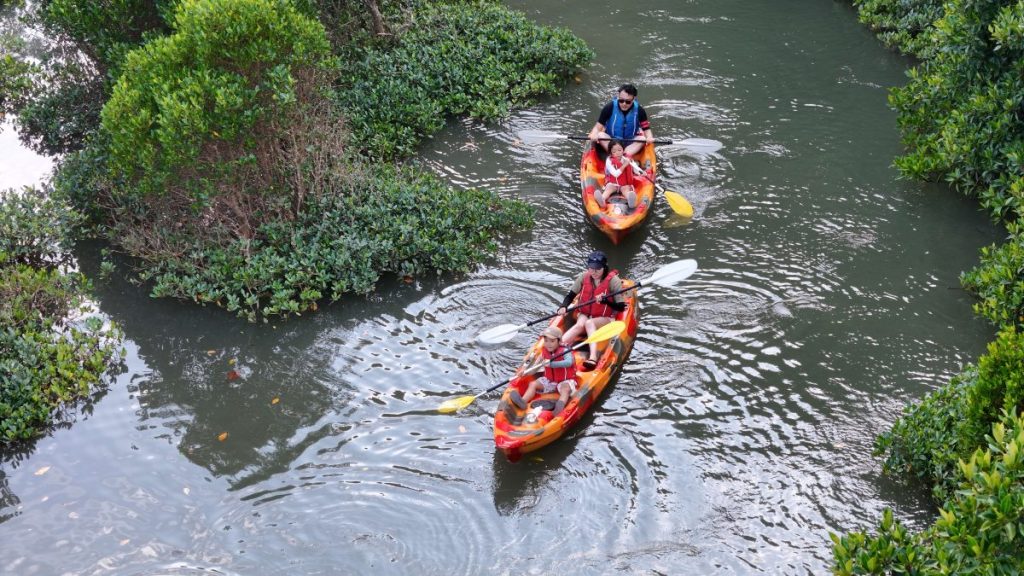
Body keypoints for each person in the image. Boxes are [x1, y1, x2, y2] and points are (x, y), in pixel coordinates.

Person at [557, 250, 626, 370]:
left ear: (604, 267)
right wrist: (563, 306)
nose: (593, 272)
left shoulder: (613, 281)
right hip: (585, 313)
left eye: (597, 269)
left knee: (589, 323)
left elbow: (621, 307)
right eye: (591, 268)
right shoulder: (584, 277)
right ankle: (557, 348)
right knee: (580, 325)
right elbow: (570, 296)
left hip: (605, 318)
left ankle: (593, 357)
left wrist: (606, 301)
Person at [509, 326, 575, 417]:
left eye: (552, 341)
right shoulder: (544, 352)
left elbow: (569, 362)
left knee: (565, 389)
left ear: (559, 341)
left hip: (564, 380)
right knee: (533, 384)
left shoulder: (565, 351)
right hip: (549, 381)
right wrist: (525, 372)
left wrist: (552, 364)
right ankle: (523, 401)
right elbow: (534, 369)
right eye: (546, 341)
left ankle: (559, 407)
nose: (548, 344)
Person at [588, 83, 653, 159]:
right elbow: (597, 127)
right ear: (618, 96)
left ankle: (623, 155)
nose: (624, 104)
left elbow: (646, 129)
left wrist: (649, 137)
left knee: (643, 139)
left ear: (634, 98)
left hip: (629, 141)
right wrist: (594, 134)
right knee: (600, 135)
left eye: (628, 102)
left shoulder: (640, 110)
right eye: (621, 100)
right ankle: (616, 154)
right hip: (612, 141)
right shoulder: (609, 107)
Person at [598, 139, 638, 210]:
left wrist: (641, 173)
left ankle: (630, 200)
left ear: (623, 150)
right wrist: (624, 165)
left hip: (624, 184)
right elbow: (615, 174)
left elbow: (635, 168)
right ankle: (602, 199)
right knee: (608, 189)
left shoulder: (627, 158)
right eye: (614, 151)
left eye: (620, 150)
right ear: (611, 153)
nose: (617, 153)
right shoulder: (609, 161)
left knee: (626, 190)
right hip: (613, 183)